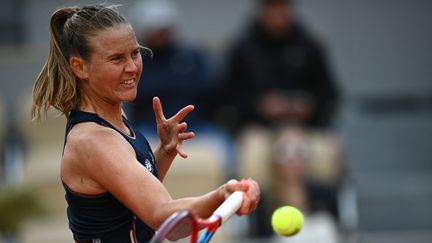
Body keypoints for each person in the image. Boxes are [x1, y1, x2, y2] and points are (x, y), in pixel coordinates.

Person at [31, 5, 260, 243]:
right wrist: (222, 195)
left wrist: (165, 151)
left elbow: (135, 207)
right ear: (80, 67)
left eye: (134, 53)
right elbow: (163, 219)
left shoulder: (115, 123)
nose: (132, 67)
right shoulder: (93, 140)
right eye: (116, 58)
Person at [218, 0, 341, 237]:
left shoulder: (310, 46)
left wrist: (308, 107)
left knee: (290, 147)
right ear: (261, 11)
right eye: (272, 8)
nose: (278, 14)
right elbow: (227, 100)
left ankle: (296, 226)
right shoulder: (242, 49)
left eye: (283, 8)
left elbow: (330, 96)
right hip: (258, 129)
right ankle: (296, 224)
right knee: (284, 149)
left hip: (305, 129)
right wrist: (260, 107)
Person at [127, 0, 218, 134]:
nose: (160, 34)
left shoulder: (193, 58)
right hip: (149, 127)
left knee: (224, 146)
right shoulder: (135, 61)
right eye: (154, 29)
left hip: (197, 125)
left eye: (164, 28)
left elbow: (211, 90)